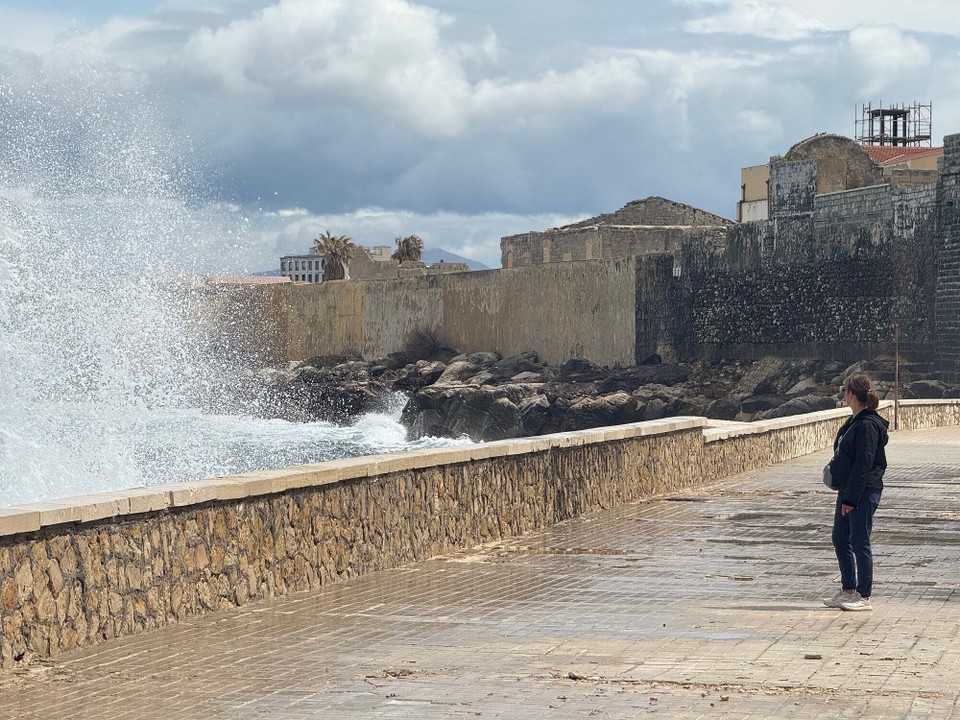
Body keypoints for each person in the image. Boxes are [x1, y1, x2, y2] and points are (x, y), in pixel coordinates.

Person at [821, 373, 888, 612]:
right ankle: (848, 589)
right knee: (840, 538)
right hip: (848, 489)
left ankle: (864, 596)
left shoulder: (868, 424)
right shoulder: (855, 421)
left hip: (863, 491)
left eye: (845, 390)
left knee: (860, 541)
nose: (843, 394)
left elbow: (864, 462)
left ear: (851, 394)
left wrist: (851, 498)